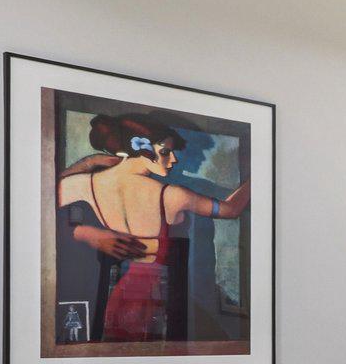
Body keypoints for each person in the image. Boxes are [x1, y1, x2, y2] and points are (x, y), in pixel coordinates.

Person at [55, 113, 249, 344]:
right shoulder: (172, 196)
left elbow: (38, 203)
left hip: (115, 299)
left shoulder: (80, 184)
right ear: (140, 149)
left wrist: (86, 164)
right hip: (160, 302)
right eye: (165, 152)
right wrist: (257, 178)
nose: (173, 160)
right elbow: (231, 209)